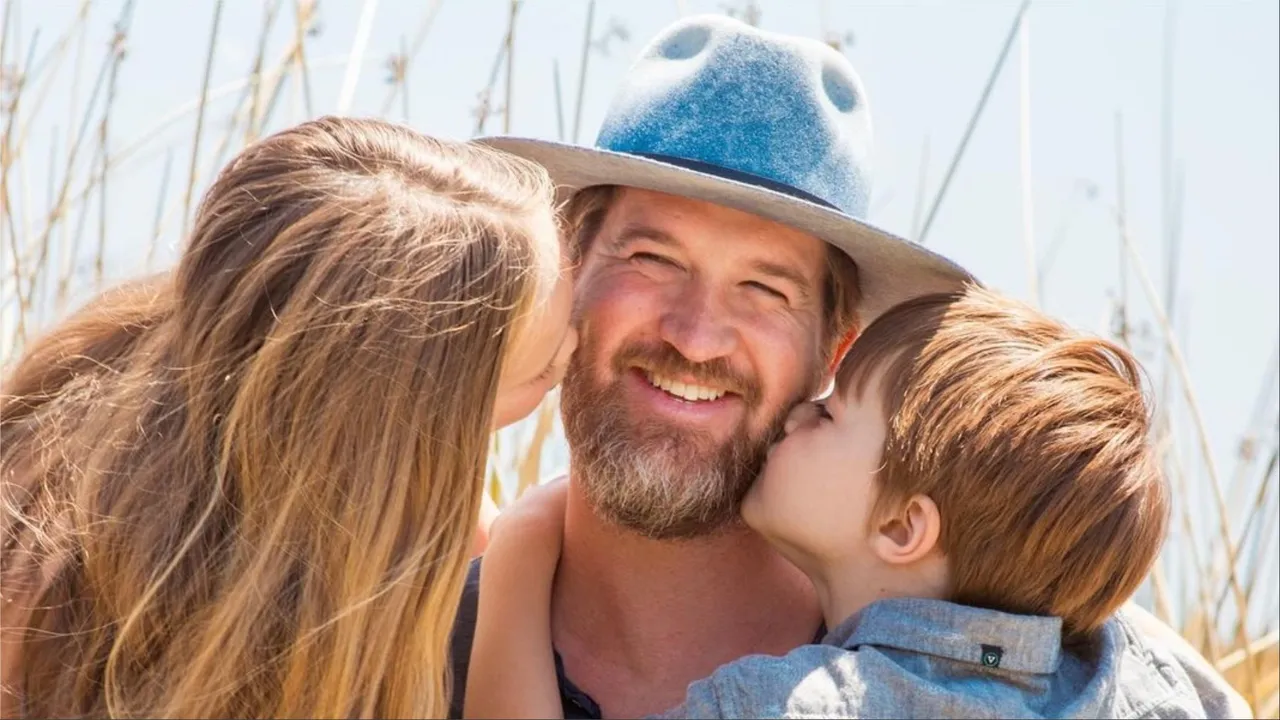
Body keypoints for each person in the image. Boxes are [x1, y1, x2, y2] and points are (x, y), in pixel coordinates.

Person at [448, 13, 1250, 720]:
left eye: (765, 290)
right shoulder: (393, 638)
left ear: (835, 350)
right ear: (565, 280)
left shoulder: (1092, 668)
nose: (696, 337)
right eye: (653, 258)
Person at [0, 116, 577, 718]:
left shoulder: (79, 425)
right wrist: (524, 553)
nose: (569, 359)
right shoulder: (37, 579)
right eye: (539, 373)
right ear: (401, 431)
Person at [467, 285, 1215, 719]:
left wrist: (522, 545)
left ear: (900, 526)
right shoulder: (1136, 671)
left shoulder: (783, 705)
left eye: (828, 413)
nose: (796, 415)